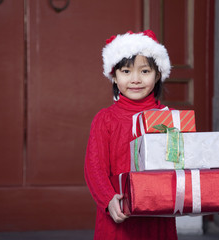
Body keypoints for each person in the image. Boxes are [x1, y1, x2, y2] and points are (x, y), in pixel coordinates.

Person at [84, 30, 177, 239]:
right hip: (118, 215)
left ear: (158, 74)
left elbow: (184, 162)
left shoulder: (169, 118)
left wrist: (209, 194)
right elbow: (94, 167)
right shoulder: (105, 119)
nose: (135, 79)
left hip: (158, 217)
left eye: (144, 71)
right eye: (126, 71)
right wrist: (108, 199)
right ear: (114, 77)